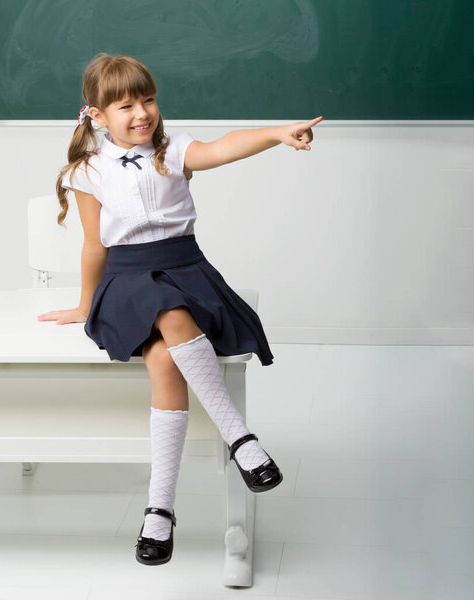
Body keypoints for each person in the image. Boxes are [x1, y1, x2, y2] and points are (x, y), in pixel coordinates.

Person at [37, 53, 323, 566]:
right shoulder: (88, 171)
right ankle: (240, 437)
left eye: (147, 100)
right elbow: (94, 245)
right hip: (127, 281)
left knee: (166, 356)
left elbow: (225, 146)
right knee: (165, 308)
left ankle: (159, 510)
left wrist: (277, 133)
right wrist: (85, 304)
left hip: (187, 272)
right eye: (125, 105)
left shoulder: (173, 149)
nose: (141, 112)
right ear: (97, 116)